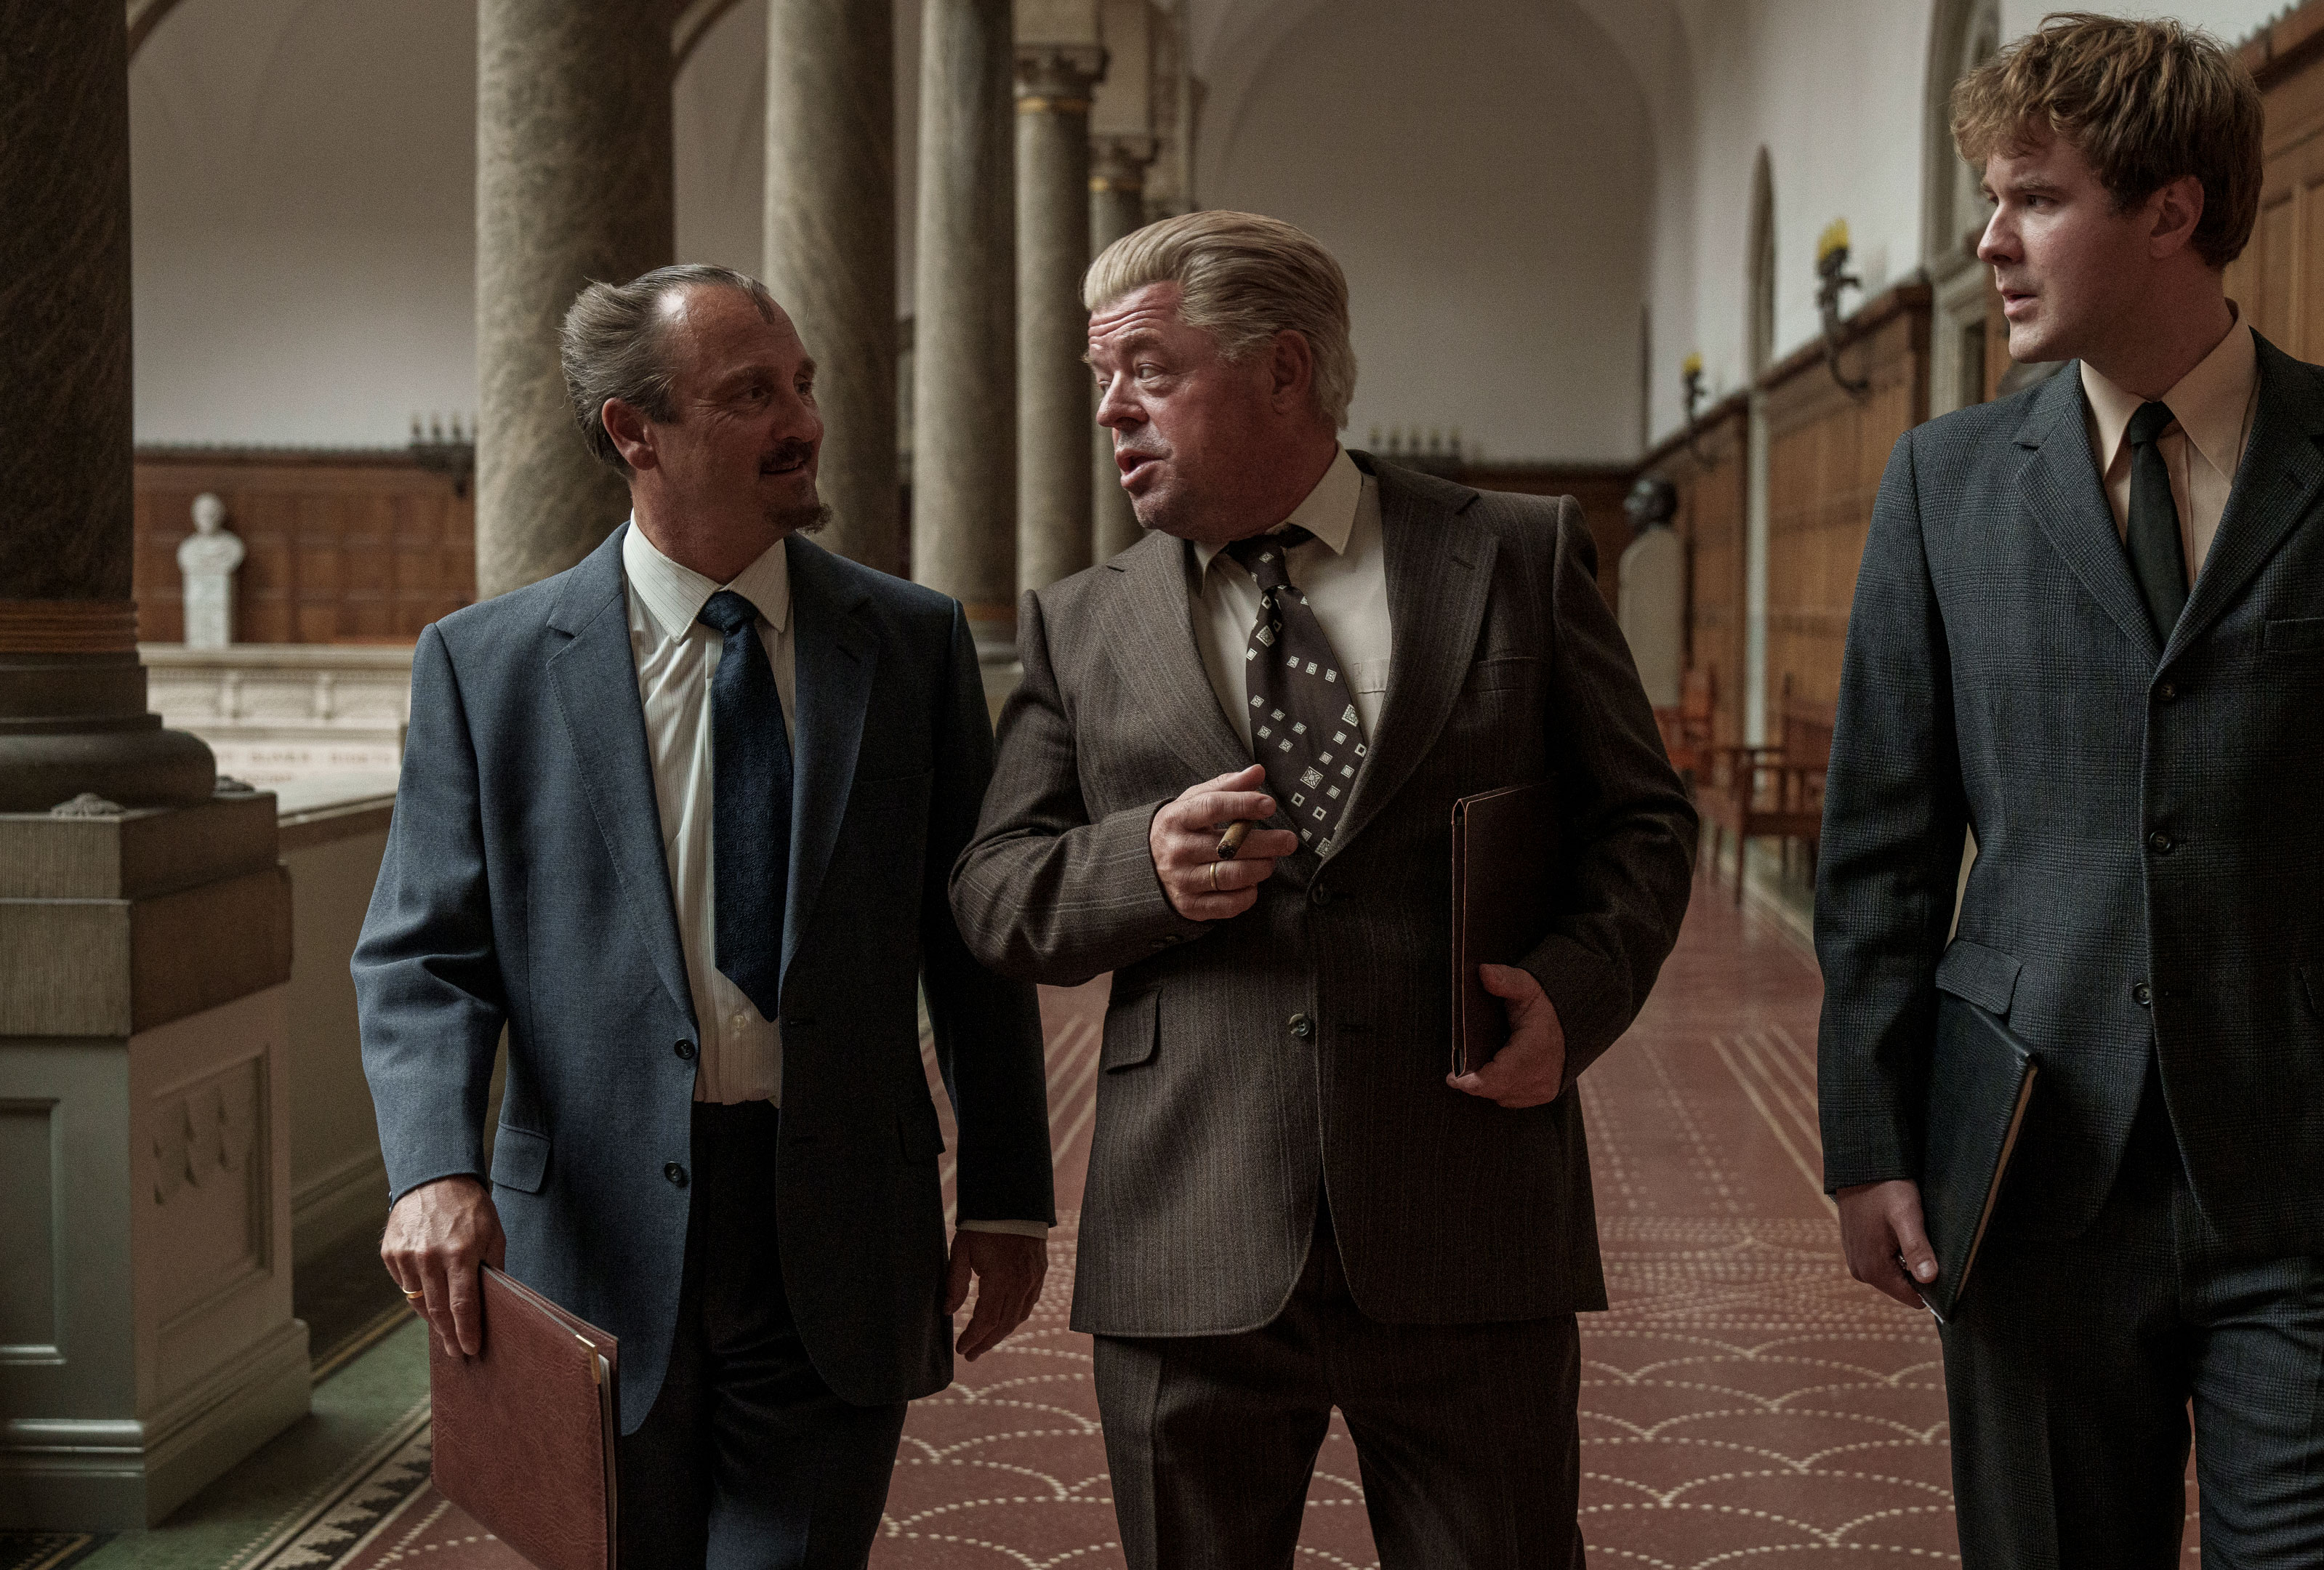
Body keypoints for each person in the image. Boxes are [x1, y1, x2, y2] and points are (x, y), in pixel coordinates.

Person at [1812, 16, 2324, 1567]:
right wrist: (1868, 1137)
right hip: (2027, 1170)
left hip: (2322, 1181)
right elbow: (1883, 855)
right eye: (1989, 198)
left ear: (2170, 210)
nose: (1990, 240)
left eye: (2033, 197)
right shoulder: (1941, 486)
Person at [950, 210, 1696, 1569]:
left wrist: (1576, 999)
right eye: (1099, 377)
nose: (1112, 408)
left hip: (1470, 1212)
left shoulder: (1516, 555)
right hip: (1191, 1232)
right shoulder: (1081, 620)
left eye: (1150, 369)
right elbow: (997, 892)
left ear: (1284, 371)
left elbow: (1642, 823)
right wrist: (1145, 868)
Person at [354, 264, 1056, 1567]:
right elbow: (423, 954)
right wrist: (432, 1167)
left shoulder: (909, 646)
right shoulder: (489, 664)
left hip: (839, 1222)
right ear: (637, 432)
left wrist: (1010, 1191)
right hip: (593, 1236)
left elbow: (975, 935)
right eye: (751, 394)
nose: (802, 420)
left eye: (801, 384)